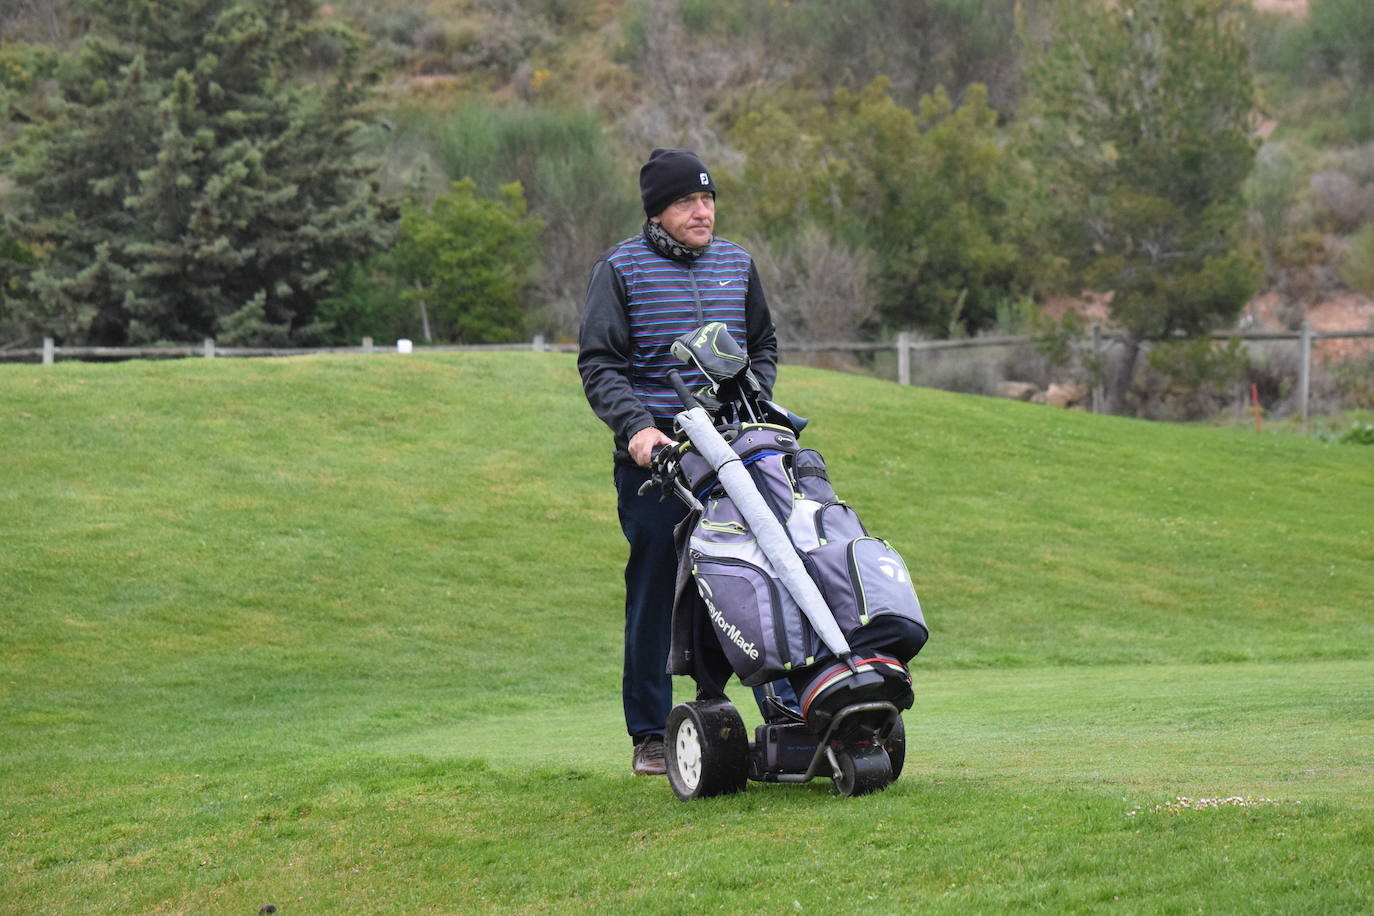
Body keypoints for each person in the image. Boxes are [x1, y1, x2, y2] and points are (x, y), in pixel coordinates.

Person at [578, 148, 790, 776]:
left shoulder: (737, 264)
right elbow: (600, 365)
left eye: (708, 199)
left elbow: (763, 345)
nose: (702, 212)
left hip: (735, 455)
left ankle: (783, 708)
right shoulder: (619, 269)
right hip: (658, 465)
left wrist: (754, 400)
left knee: (763, 572)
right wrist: (639, 430)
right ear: (659, 212)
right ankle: (650, 734)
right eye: (686, 203)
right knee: (656, 589)